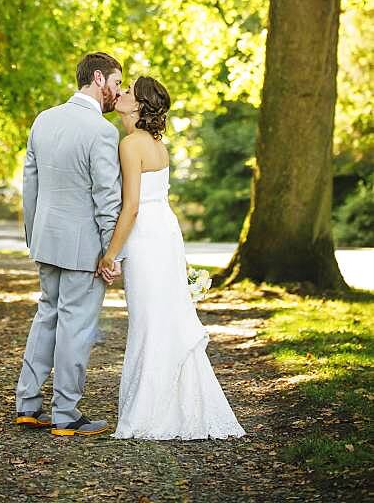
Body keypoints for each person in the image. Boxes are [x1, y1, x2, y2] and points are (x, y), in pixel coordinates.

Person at [98, 76, 245, 440]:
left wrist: (110, 254)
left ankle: (151, 413)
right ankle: (176, 406)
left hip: (147, 236)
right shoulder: (158, 144)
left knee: (149, 322)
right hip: (165, 233)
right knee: (162, 318)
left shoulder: (131, 144)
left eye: (129, 91)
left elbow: (130, 207)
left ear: (140, 105)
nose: (123, 94)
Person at [15, 51, 123, 436]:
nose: (118, 92)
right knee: (75, 327)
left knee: (47, 317)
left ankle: (27, 404)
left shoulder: (44, 120)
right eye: (115, 84)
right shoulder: (102, 132)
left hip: (46, 239)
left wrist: (34, 235)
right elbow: (107, 198)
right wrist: (113, 253)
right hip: (85, 249)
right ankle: (66, 414)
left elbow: (30, 185)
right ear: (98, 78)